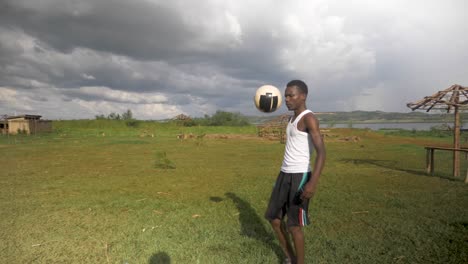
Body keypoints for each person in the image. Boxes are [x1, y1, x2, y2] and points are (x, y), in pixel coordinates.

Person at [265, 80, 326, 264]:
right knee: (274, 219)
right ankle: (290, 258)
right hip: (284, 174)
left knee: (294, 226)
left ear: (303, 96)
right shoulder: (291, 119)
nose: (287, 99)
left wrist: (312, 183)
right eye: (286, 95)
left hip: (300, 176)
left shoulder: (309, 118)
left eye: (292, 95)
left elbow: (322, 152)